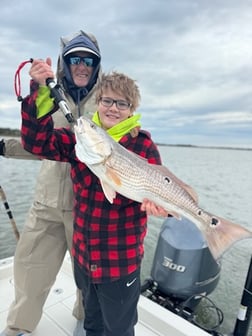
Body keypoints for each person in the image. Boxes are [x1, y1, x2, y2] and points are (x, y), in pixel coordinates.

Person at [19, 70, 170, 336]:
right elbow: (36, 143)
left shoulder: (143, 145)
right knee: (92, 324)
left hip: (119, 262)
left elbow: (162, 195)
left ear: (131, 109)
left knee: (119, 329)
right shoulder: (81, 138)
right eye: (107, 101)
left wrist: (160, 207)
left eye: (122, 103)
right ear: (98, 102)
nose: (113, 108)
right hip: (84, 255)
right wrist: (41, 90)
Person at [0, 29, 102, 336]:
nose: (82, 65)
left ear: (96, 65)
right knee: (30, 271)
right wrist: (4, 147)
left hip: (88, 208)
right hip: (46, 204)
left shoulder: (108, 100)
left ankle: (85, 323)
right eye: (74, 59)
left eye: (88, 60)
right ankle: (18, 327)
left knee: (89, 280)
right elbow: (38, 142)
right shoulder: (49, 93)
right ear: (64, 62)